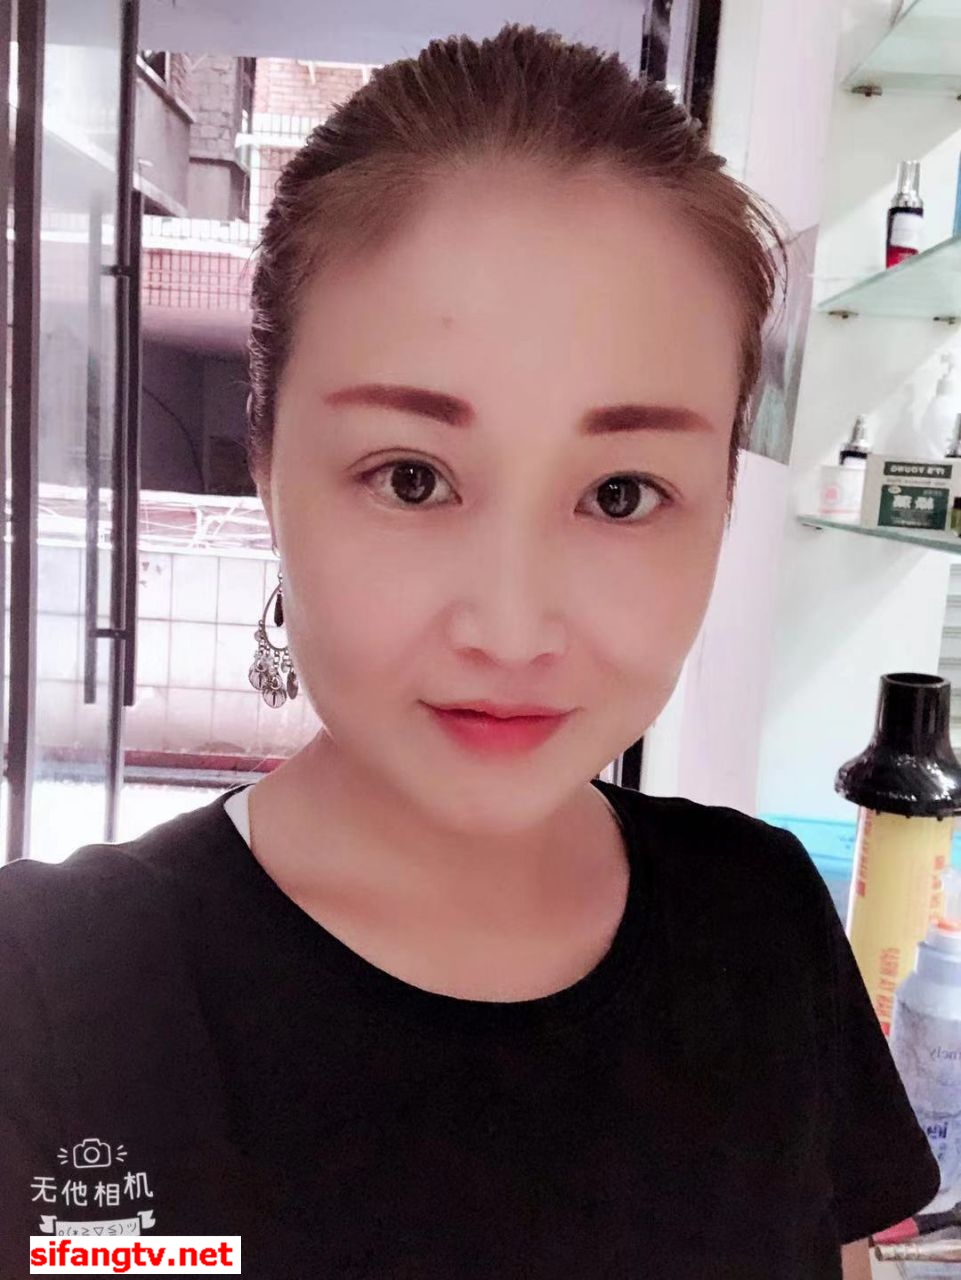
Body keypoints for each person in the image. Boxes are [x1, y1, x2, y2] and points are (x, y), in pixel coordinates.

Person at [0, 23, 939, 1280]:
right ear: (267, 466)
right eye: (412, 476)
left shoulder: (763, 923)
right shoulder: (51, 998)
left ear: (721, 496)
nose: (509, 626)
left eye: (619, 493)